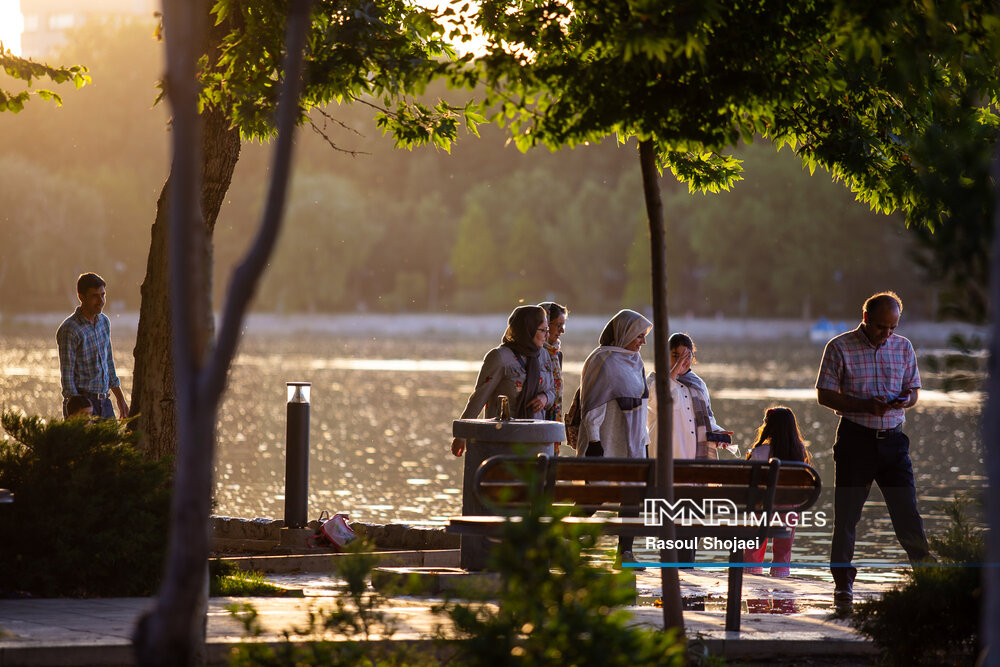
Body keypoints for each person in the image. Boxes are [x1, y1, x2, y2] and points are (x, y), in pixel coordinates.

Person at [816, 291, 931, 610]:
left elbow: (915, 392)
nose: (887, 334)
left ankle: (928, 577)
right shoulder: (839, 346)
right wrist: (864, 405)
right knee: (847, 518)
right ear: (866, 319)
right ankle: (843, 587)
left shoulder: (904, 346)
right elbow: (824, 395)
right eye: (881, 327)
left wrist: (905, 399)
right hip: (856, 441)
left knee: (908, 514)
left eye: (892, 327)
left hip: (894, 442)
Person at [574, 309, 652, 568]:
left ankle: (625, 554)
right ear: (625, 333)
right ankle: (565, 541)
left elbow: (642, 404)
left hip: (632, 442)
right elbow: (592, 404)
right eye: (639, 336)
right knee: (595, 496)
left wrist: (645, 442)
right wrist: (594, 441)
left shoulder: (636, 361)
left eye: (644, 336)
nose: (643, 342)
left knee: (631, 497)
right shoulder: (602, 360)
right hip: (606, 439)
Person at [452, 305, 556, 457]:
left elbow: (552, 391)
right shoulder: (500, 357)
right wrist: (461, 435)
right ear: (527, 329)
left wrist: (545, 398)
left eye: (547, 330)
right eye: (542, 330)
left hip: (535, 440)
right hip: (503, 440)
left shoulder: (543, 356)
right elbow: (479, 397)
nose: (547, 335)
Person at [742, 406, 812, 577]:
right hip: (788, 508)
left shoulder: (759, 452)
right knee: (783, 547)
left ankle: (752, 573)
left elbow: (749, 484)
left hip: (761, 506)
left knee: (754, 543)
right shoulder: (799, 450)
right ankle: (781, 574)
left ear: (768, 427)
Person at [647, 332, 733, 460]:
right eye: (676, 356)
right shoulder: (654, 380)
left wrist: (718, 433)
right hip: (665, 449)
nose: (682, 361)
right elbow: (660, 398)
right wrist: (676, 368)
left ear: (693, 358)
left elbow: (707, 419)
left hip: (693, 451)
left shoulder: (698, 384)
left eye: (687, 357)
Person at [56, 273, 130, 420]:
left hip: (105, 402)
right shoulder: (70, 329)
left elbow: (108, 363)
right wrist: (79, 411)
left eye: (103, 295)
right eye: (95, 296)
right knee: (85, 444)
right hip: (81, 405)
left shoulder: (104, 322)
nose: (101, 301)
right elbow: (67, 377)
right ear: (81, 297)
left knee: (113, 443)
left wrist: (120, 399)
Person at [537, 301, 568, 423]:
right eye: (558, 325)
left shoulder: (557, 355)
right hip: (536, 419)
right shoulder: (532, 353)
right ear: (546, 324)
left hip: (553, 419)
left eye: (563, 326)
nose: (562, 331)